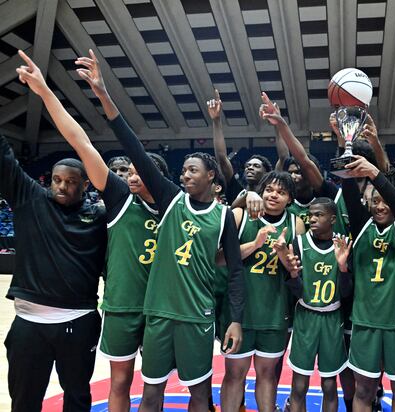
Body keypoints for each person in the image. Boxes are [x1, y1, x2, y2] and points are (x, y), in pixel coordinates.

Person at [76, 49, 244, 411]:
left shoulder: (223, 216)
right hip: (158, 315)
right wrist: (104, 94)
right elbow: (132, 146)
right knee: (151, 393)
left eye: (193, 170)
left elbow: (234, 273)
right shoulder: (171, 200)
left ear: (211, 176)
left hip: (197, 316)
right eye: (183, 170)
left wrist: (236, 322)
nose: (185, 175)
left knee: (200, 395)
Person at [19, 49, 171, 411]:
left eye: (142, 170)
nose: (133, 174)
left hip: (162, 309)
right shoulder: (119, 198)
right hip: (120, 306)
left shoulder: (174, 204)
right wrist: (44, 91)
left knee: (154, 388)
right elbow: (80, 142)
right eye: (131, 169)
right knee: (119, 383)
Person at [3, 50, 107, 411]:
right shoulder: (30, 198)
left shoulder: (99, 216)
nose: (62, 187)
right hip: (28, 322)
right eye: (57, 180)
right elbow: (4, 157)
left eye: (71, 182)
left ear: (84, 186)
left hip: (78, 321)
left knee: (77, 399)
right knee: (24, 401)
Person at [220, 170, 304, 412]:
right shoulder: (240, 215)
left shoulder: (295, 223)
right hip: (239, 313)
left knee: (267, 374)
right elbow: (219, 259)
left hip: (275, 312)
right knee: (235, 374)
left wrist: (286, 259)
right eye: (269, 190)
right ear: (260, 191)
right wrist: (255, 244)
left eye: (281, 192)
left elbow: (295, 272)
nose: (274, 195)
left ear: (290, 199)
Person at [341, 157, 395, 412]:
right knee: (363, 390)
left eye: (385, 201)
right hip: (364, 323)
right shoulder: (362, 227)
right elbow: (350, 191)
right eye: (375, 201)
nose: (380, 207)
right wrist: (344, 144)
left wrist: (375, 173)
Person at [277, 197, 352, 412]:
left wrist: (343, 267)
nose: (312, 219)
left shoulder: (343, 244)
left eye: (318, 215)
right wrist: (292, 273)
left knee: (329, 385)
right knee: (299, 386)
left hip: (332, 319)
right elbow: (298, 290)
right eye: (310, 215)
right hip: (306, 317)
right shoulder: (299, 242)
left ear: (333, 219)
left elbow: (346, 292)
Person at [207, 89, 272, 204]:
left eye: (256, 165)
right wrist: (216, 120)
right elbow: (222, 158)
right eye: (248, 166)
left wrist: (277, 124)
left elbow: (284, 158)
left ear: (266, 173)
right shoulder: (237, 192)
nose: (250, 168)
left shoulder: (272, 197)